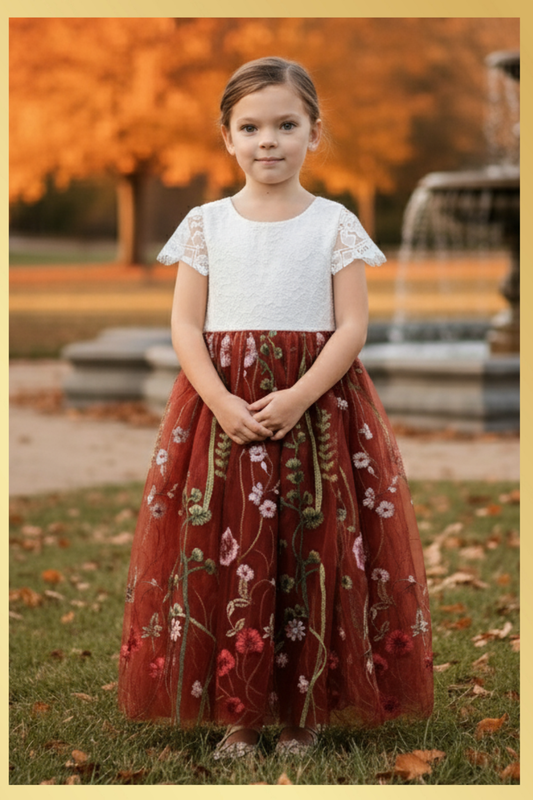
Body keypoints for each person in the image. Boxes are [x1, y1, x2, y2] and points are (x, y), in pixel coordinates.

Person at [118, 56, 433, 760]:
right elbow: (183, 326)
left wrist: (296, 395)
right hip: (223, 414)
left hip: (317, 409)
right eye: (251, 126)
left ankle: (303, 714)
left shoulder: (333, 223)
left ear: (313, 134)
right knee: (230, 551)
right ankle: (239, 714)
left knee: (312, 549)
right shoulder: (204, 225)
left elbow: (351, 326)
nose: (269, 140)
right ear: (226, 137)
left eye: (286, 125)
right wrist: (221, 400)